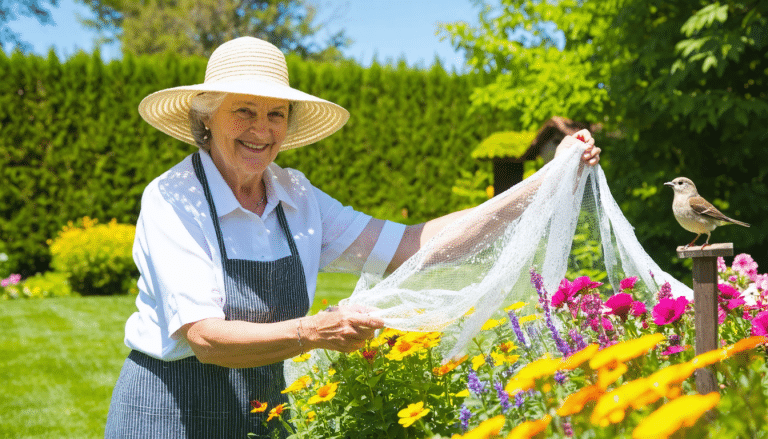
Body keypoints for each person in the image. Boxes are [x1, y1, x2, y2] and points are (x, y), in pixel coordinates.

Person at [105, 36, 601, 439]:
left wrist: (543, 184)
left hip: (262, 416)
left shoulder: (295, 194)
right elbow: (206, 339)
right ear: (205, 118)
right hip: (170, 416)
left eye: (276, 114)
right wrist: (313, 332)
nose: (261, 129)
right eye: (245, 111)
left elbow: (414, 245)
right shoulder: (174, 198)